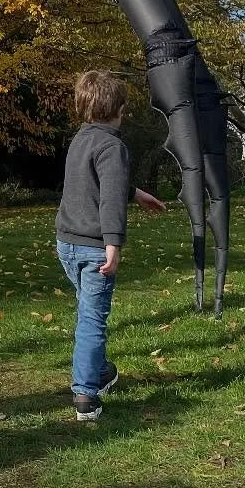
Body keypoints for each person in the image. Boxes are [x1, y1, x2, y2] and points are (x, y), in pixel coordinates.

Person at [54, 70, 166, 421]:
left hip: (67, 243)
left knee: (87, 310)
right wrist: (113, 244)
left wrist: (138, 193)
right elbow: (110, 201)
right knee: (92, 319)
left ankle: (100, 371)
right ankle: (86, 395)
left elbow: (100, 186)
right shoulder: (113, 146)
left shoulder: (81, 140)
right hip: (94, 247)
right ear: (118, 109)